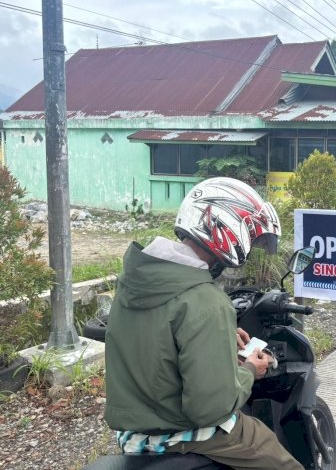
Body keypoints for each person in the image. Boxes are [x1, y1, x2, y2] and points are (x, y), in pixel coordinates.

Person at [104, 177, 303, 470]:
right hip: (181, 431)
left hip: (133, 431)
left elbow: (159, 338)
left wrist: (219, 336)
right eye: (252, 238)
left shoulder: (135, 282)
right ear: (228, 229)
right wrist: (250, 370)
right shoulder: (206, 302)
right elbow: (210, 409)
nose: (250, 249)